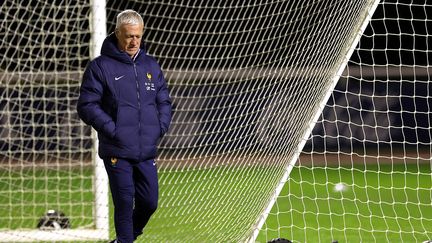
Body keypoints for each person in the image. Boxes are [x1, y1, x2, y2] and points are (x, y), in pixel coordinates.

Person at [77, 9, 172, 243]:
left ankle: (123, 240)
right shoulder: (100, 67)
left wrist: (160, 126)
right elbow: (87, 105)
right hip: (117, 150)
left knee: (150, 202)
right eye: (129, 36)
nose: (134, 41)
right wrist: (114, 130)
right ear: (118, 33)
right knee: (123, 202)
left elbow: (163, 100)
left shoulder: (150, 65)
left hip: (145, 149)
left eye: (138, 36)